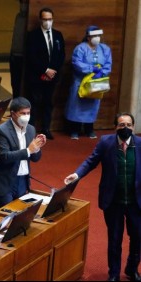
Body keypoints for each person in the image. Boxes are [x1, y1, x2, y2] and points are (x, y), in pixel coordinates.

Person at [64, 113, 141, 282]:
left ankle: (131, 269)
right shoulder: (106, 142)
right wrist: (76, 175)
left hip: (136, 202)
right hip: (113, 200)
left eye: (128, 124)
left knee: (137, 237)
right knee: (114, 239)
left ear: (133, 127)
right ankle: (114, 273)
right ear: (116, 127)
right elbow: (91, 161)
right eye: (121, 125)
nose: (125, 128)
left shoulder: (140, 144)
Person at [0, 97, 47, 208]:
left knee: (20, 215)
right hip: (5, 182)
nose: (26, 116)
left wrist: (37, 147)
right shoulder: (1, 131)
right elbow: (4, 157)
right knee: (5, 219)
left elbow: (35, 159)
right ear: (13, 114)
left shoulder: (31, 129)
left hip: (23, 182)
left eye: (28, 113)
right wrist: (29, 150)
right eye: (23, 113)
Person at [65, 25, 112, 140]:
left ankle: (89, 129)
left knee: (93, 105)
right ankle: (74, 129)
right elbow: (77, 63)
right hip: (81, 82)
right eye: (94, 36)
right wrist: (91, 69)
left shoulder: (105, 49)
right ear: (88, 37)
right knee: (77, 106)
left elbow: (108, 63)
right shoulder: (80, 48)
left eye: (98, 35)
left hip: (97, 82)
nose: (97, 38)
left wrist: (102, 72)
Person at [26, 7, 65, 140]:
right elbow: (31, 56)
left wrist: (53, 71)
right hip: (36, 76)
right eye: (45, 19)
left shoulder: (58, 35)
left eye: (49, 19)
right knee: (34, 103)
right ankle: (31, 130)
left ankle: (46, 129)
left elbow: (61, 56)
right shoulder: (33, 35)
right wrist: (45, 70)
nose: (47, 22)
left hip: (52, 77)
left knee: (48, 103)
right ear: (40, 20)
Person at [9, 0, 29, 98]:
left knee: (22, 83)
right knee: (14, 82)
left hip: (23, 56)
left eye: (24, 3)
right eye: (21, 2)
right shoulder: (18, 16)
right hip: (14, 54)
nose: (22, 5)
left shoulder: (29, 18)